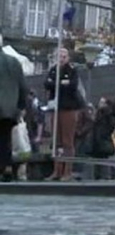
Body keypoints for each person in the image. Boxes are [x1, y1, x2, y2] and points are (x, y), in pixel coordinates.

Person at [44, 48, 80, 181]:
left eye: (64, 56)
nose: (61, 58)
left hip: (68, 108)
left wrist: (57, 84)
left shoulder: (72, 70)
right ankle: (57, 170)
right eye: (59, 56)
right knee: (57, 141)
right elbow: (47, 84)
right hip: (56, 108)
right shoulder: (53, 70)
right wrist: (60, 83)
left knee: (67, 141)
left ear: (68, 58)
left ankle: (67, 171)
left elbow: (72, 85)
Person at [0, 34, 28, 182]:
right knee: (5, 138)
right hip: (10, 109)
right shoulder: (14, 62)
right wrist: (22, 105)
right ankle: (7, 167)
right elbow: (23, 86)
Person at [88, 97, 115, 180]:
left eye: (102, 102)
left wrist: (104, 134)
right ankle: (100, 176)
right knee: (99, 159)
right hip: (98, 140)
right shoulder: (99, 113)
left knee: (103, 159)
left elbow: (111, 126)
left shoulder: (107, 114)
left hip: (102, 139)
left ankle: (104, 176)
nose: (100, 104)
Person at [25, 90, 45, 154]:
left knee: (35, 148)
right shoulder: (27, 104)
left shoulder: (37, 105)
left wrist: (39, 136)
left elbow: (40, 121)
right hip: (27, 129)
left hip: (33, 130)